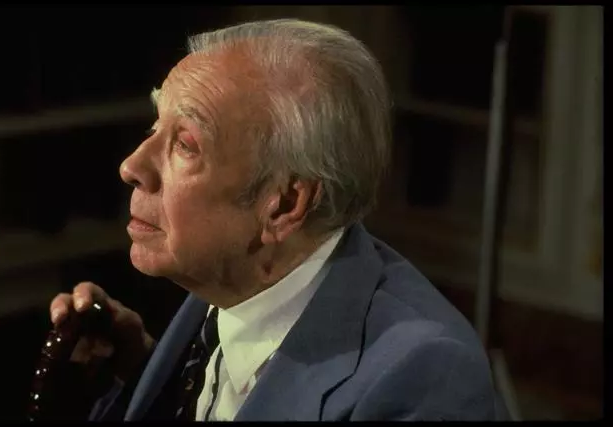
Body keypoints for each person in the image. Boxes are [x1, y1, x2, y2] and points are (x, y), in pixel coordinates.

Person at [48, 19, 507, 421]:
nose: (131, 166)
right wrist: (142, 378)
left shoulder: (424, 379)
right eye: (154, 128)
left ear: (284, 205)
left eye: (185, 144)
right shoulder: (231, 277)